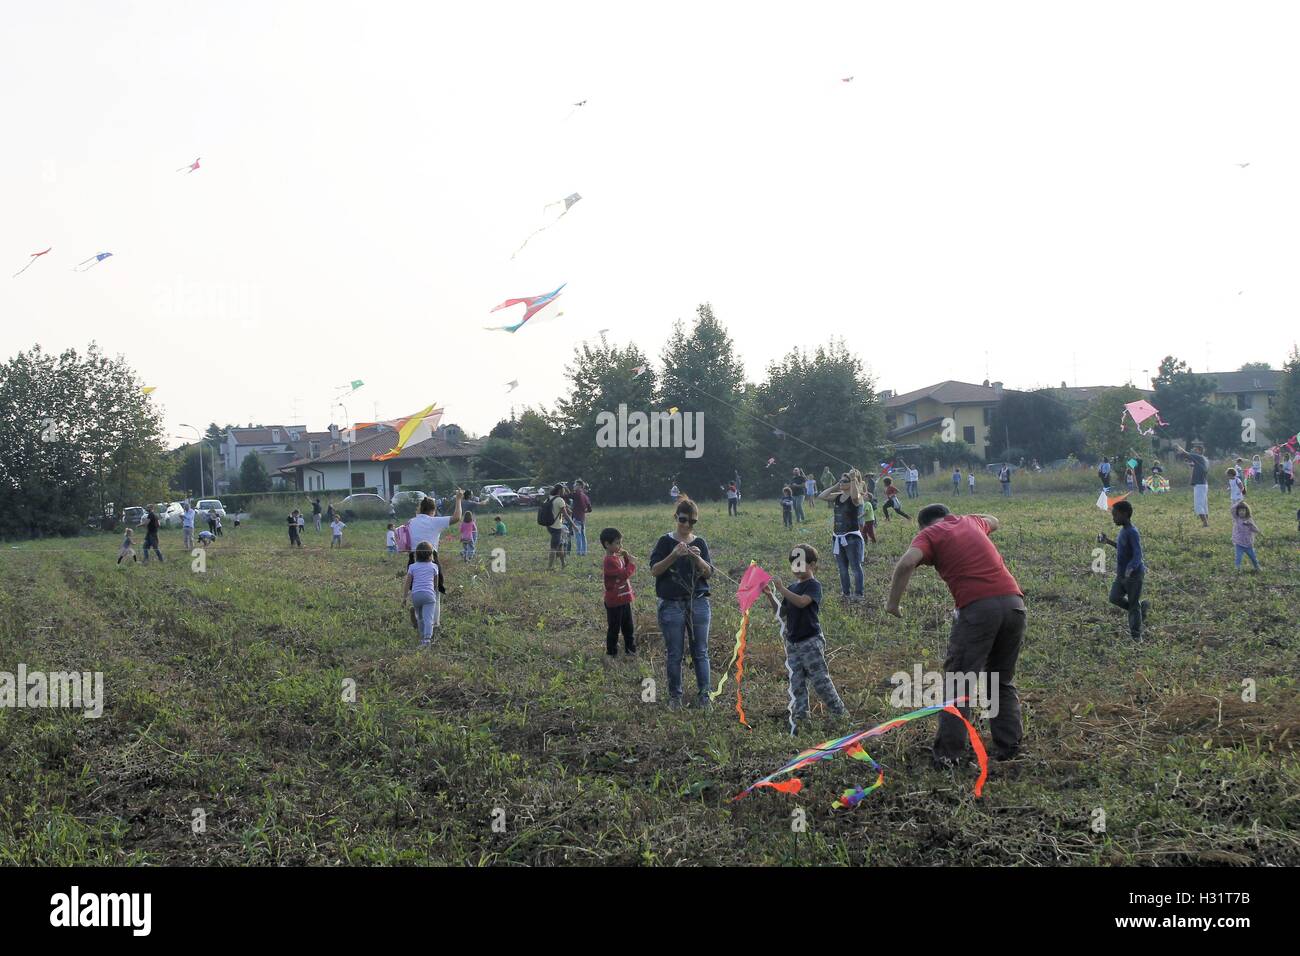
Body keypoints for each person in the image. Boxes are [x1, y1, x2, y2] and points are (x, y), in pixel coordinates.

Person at [886, 504, 1025, 766]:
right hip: (1014, 604)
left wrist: (893, 604)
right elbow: (993, 518)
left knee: (958, 684)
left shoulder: (929, 534)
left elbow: (906, 563)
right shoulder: (971, 521)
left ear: (923, 525)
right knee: (1000, 680)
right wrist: (972, 521)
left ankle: (949, 756)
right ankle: (1009, 746)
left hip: (978, 610)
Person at [764, 544, 847, 735]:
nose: (797, 568)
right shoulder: (792, 587)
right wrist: (771, 596)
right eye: (794, 564)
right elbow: (781, 613)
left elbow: (802, 602)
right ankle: (801, 721)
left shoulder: (813, 586)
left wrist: (781, 588)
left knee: (821, 682)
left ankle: (841, 715)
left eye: (801, 564)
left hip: (810, 641)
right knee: (797, 684)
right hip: (792, 643)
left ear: (813, 565)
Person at [649, 496, 714, 710]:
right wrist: (674, 555)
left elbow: (709, 573)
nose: (687, 525)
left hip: (698, 603)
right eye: (683, 520)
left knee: (700, 652)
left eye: (692, 522)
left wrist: (698, 559)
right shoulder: (664, 542)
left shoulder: (700, 542)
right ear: (676, 517)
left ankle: (705, 696)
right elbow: (655, 570)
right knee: (675, 653)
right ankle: (675, 697)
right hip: (671, 605)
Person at [1097, 499, 1148, 641]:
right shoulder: (1123, 531)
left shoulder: (1132, 532)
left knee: (1132, 603)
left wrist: (1130, 568)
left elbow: (1138, 554)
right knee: (1114, 597)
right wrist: (1107, 542)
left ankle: (1136, 636)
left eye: (1115, 515)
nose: (1113, 519)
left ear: (1125, 514)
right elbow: (1122, 548)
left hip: (1133, 575)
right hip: (1121, 575)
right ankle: (1139, 610)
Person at [817, 470, 865, 600]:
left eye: (845, 481)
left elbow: (855, 497)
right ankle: (846, 593)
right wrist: (836, 485)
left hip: (852, 537)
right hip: (837, 537)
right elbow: (821, 496)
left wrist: (854, 479)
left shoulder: (857, 497)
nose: (842, 483)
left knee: (855, 567)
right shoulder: (838, 496)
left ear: (852, 482)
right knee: (842, 568)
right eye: (841, 480)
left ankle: (859, 594)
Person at [600, 527, 636, 658]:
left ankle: (630, 651)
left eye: (620, 542)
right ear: (607, 544)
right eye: (617, 543)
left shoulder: (615, 558)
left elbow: (623, 569)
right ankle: (611, 653)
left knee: (628, 627)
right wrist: (631, 564)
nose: (620, 545)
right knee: (614, 629)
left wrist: (626, 558)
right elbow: (623, 575)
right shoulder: (609, 561)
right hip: (615, 601)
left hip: (624, 599)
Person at [403, 542, 444, 646]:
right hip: (429, 595)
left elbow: (407, 583)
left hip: (416, 596)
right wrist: (433, 593)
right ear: (431, 555)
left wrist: (404, 598)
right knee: (428, 619)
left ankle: (421, 636)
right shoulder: (434, 567)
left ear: (416, 554)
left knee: (420, 617)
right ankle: (426, 639)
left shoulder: (412, 567)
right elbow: (435, 584)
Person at [1175, 443, 1210, 527]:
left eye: (1195, 450)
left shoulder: (1199, 457)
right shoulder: (1205, 459)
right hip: (1204, 484)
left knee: (1198, 505)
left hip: (1199, 484)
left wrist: (1178, 447)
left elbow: (1185, 453)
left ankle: (1205, 523)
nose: (1194, 451)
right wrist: (1193, 465)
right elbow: (1200, 466)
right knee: (1204, 504)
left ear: (1199, 451)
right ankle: (1206, 522)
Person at [1231, 501, 1262, 571]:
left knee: (1253, 557)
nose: (1241, 512)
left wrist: (1254, 528)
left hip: (1248, 544)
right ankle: (1237, 569)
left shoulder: (1249, 520)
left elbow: (1255, 529)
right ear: (1237, 512)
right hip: (1239, 544)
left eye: (1243, 510)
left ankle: (1257, 568)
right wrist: (1238, 503)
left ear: (1246, 511)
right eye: (1240, 511)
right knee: (1238, 558)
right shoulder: (1237, 519)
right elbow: (1232, 509)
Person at [544, 484, 569, 571]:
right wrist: (574, 525)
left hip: (549, 526)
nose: (565, 491)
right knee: (554, 547)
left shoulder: (548, 498)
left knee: (560, 545)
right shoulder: (559, 500)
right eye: (564, 490)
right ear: (560, 491)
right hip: (556, 527)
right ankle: (550, 567)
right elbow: (566, 515)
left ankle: (563, 564)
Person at [570, 480, 592, 556]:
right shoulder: (585, 496)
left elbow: (567, 495)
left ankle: (579, 553)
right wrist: (583, 511)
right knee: (583, 536)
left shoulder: (577, 494)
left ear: (579, 486)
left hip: (576, 519)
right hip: (582, 519)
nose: (574, 486)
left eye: (575, 485)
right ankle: (584, 552)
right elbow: (590, 509)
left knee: (578, 536)